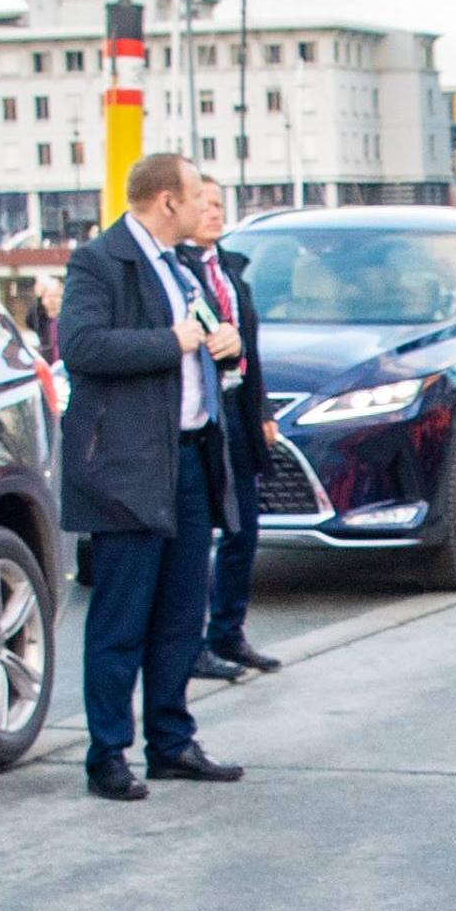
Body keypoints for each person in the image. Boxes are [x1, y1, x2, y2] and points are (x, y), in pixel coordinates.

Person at [58, 154, 250, 798]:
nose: (206, 207)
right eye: (197, 195)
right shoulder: (100, 261)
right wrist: (176, 341)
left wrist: (225, 343)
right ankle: (107, 754)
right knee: (122, 616)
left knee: (179, 613)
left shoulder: (183, 267)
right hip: (128, 468)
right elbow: (81, 347)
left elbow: (197, 342)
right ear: (167, 201)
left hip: (192, 457)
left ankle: (171, 741)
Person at [188, 171, 286, 682]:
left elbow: (251, 348)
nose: (213, 211)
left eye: (219, 202)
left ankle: (228, 630)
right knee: (202, 534)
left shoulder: (230, 271)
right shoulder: (180, 272)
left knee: (243, 529)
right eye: (204, 202)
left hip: (240, 412)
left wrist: (263, 409)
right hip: (205, 417)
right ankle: (195, 643)